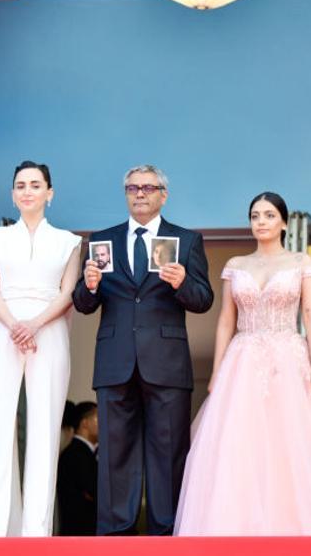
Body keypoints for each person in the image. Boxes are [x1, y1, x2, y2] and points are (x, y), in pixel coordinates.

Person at [176, 192, 311, 535]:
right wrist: (216, 371)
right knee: (239, 445)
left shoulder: (301, 262)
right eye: (255, 216)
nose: (261, 222)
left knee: (294, 443)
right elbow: (226, 319)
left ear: (284, 222)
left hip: (289, 356)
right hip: (242, 360)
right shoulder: (236, 265)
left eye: (269, 215)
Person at [72, 164, 215, 535]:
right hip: (115, 362)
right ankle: (116, 537)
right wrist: (88, 286)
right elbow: (83, 304)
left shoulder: (186, 240)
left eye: (148, 188)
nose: (140, 193)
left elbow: (203, 300)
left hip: (166, 365)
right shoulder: (103, 240)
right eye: (132, 188)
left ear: (163, 195)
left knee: (168, 457)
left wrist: (183, 282)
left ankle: (165, 536)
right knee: (114, 456)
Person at [0, 160, 82, 537]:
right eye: (20, 185)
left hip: (48, 331)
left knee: (45, 427)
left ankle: (37, 531)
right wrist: (13, 324)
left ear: (49, 193)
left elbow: (69, 292)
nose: (27, 191)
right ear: (12, 193)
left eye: (35, 185)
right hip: (2, 330)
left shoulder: (69, 241)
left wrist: (34, 324)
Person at [57, 401, 99, 536]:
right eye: (98, 417)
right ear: (85, 423)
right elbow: (94, 490)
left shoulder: (92, 452)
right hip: (79, 534)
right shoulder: (74, 453)